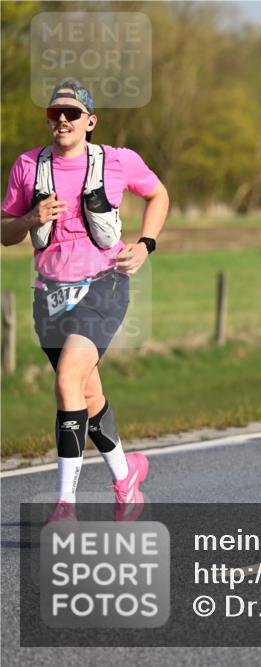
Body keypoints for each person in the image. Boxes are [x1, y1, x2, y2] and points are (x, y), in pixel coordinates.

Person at [1, 80, 169, 521]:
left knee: (66, 381)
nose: (62, 119)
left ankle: (65, 507)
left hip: (103, 285)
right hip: (49, 295)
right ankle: (126, 478)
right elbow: (5, 232)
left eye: (72, 113)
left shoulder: (117, 161)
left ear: (89, 121)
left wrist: (146, 243)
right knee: (86, 391)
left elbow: (158, 194)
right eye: (54, 112)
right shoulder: (27, 166)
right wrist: (29, 218)